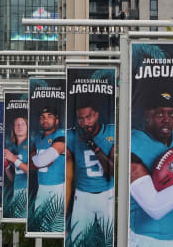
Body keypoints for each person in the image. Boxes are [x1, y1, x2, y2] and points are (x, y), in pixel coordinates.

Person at [129, 87, 173, 246]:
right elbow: (155, 208)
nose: (167, 119)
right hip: (148, 239)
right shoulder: (134, 145)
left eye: (171, 114)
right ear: (148, 114)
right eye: (160, 114)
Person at [66, 95, 115, 244]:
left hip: (107, 194)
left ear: (96, 115)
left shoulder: (111, 133)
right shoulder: (72, 135)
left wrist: (93, 145)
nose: (85, 123)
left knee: (110, 241)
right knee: (77, 242)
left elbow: (112, 171)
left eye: (89, 117)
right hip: (82, 196)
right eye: (81, 119)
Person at [28, 106, 65, 232]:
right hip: (41, 188)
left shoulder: (61, 134)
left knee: (56, 228)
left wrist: (35, 158)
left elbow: (42, 161)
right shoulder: (38, 137)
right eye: (42, 117)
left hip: (57, 188)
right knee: (41, 228)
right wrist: (37, 161)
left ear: (57, 120)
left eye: (50, 116)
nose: (45, 120)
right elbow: (36, 162)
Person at [3, 113, 29, 219]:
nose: (19, 126)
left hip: (28, 190)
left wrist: (14, 159)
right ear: (13, 127)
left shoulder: (31, 144)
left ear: (27, 126)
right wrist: (6, 165)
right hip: (17, 189)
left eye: (22, 124)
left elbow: (31, 171)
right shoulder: (13, 147)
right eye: (16, 124)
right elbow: (12, 178)